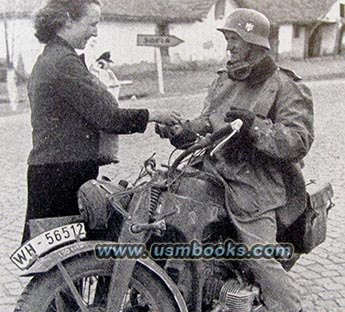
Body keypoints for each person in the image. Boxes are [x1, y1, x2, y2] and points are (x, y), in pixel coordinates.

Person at [157, 8, 313, 312]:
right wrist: (181, 130)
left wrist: (255, 129)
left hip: (255, 186)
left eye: (234, 40)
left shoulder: (285, 85)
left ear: (254, 44)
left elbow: (299, 140)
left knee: (259, 257)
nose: (228, 47)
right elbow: (208, 120)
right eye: (227, 39)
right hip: (212, 174)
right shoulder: (224, 80)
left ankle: (288, 306)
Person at [22, 0, 181, 244]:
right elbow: (107, 117)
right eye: (91, 24)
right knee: (70, 263)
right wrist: (154, 114)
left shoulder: (52, 57)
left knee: (62, 262)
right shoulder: (64, 63)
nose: (95, 31)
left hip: (53, 171)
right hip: (63, 177)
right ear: (67, 20)